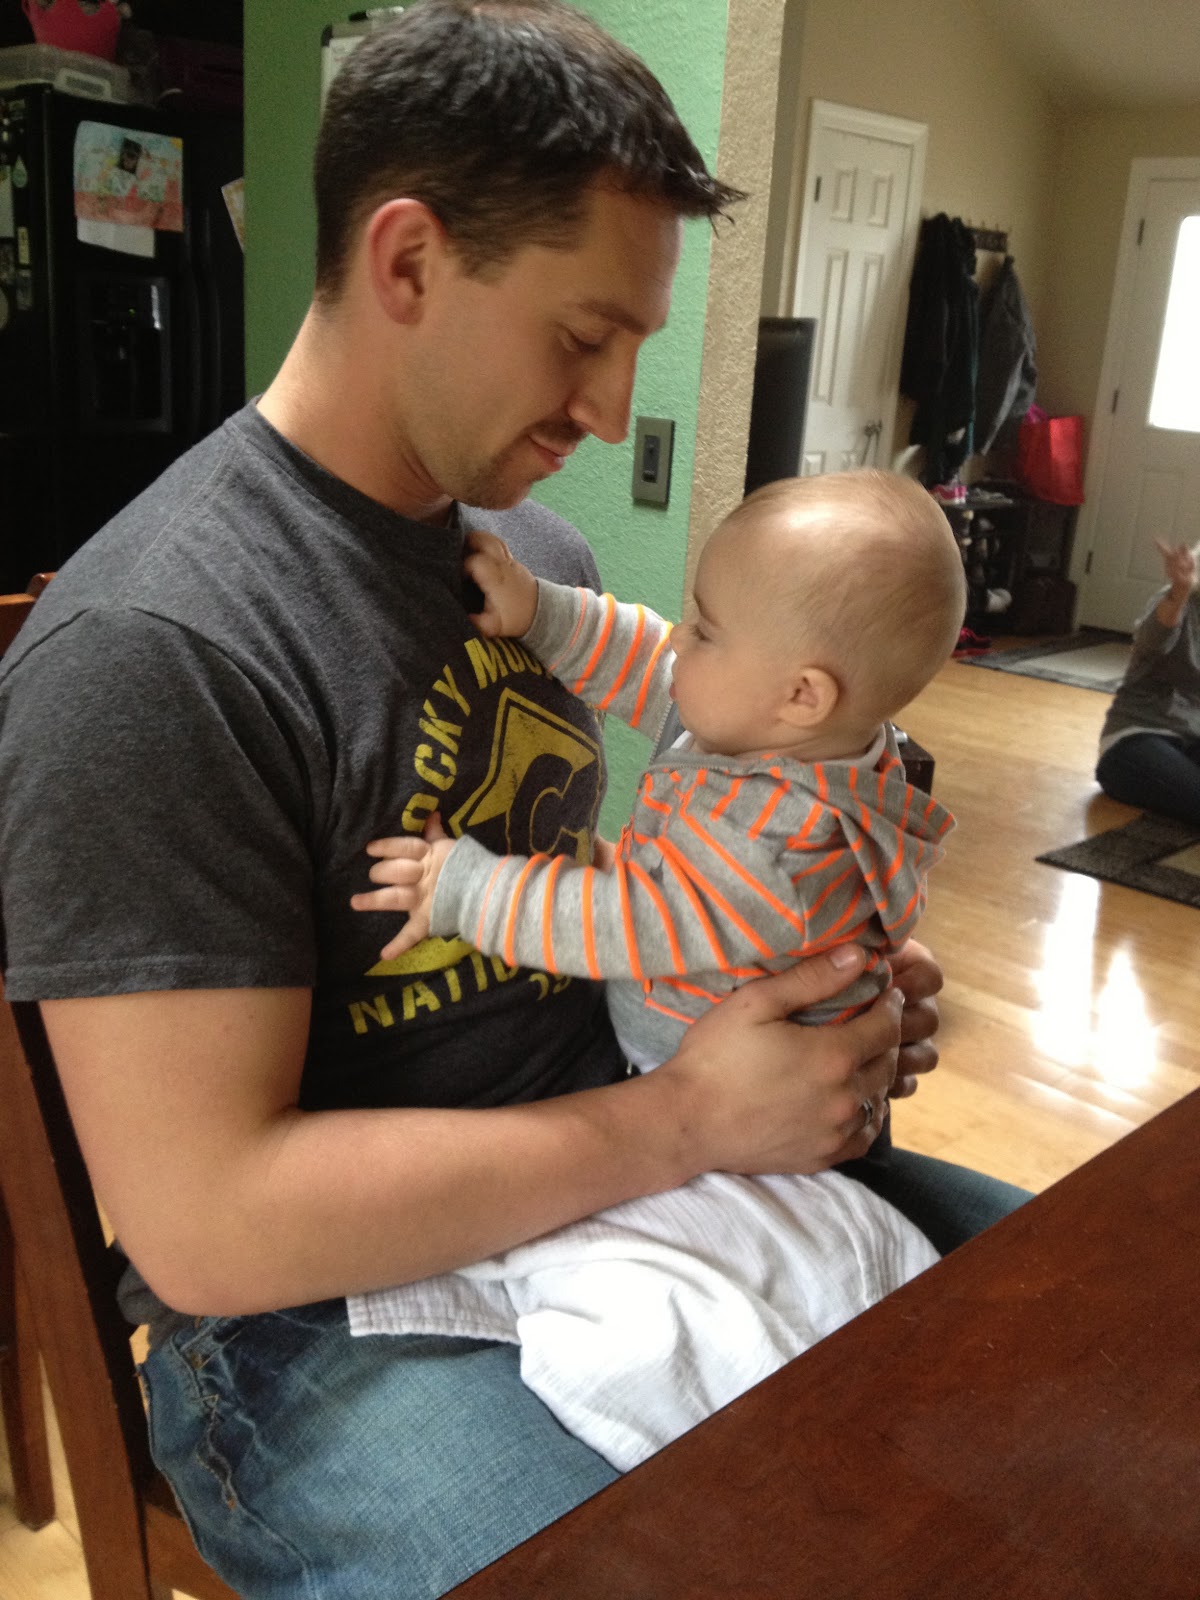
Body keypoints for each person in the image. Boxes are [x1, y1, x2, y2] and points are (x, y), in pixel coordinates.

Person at [0, 4, 1026, 1596]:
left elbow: (645, 878)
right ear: (408, 263)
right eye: (584, 336)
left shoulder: (534, 563)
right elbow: (207, 1228)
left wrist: (796, 982)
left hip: (654, 1178)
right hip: (324, 1322)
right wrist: (691, 1116)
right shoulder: (156, 651)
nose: (614, 410)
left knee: (1112, 1344)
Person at [345, 468, 962, 1469]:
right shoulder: (775, 729)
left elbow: (623, 922)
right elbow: (642, 663)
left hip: (740, 1123)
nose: (680, 641)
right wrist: (542, 612)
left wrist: (464, 889)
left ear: (802, 695)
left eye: (705, 630)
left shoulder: (773, 845)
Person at [1096, 538, 1200, 828]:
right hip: (1138, 737)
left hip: (1192, 739)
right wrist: (1178, 593)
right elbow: (1153, 640)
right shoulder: (1178, 601)